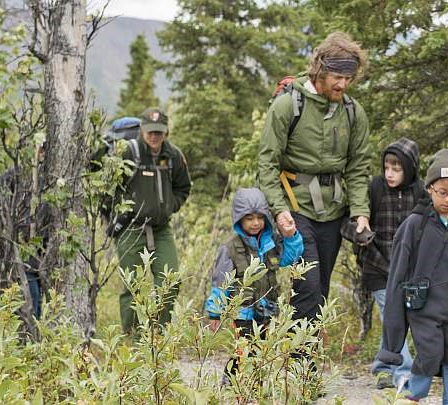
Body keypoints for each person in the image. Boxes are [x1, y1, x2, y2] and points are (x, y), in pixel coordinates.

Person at [258, 32, 372, 322]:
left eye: (349, 77)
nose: (343, 84)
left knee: (319, 289)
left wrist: (360, 212)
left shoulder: (352, 112)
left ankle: (301, 358)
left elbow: (358, 167)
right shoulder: (288, 106)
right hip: (297, 208)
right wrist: (279, 209)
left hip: (332, 211)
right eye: (337, 76)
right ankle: (299, 363)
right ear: (320, 69)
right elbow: (267, 163)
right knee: (307, 286)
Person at [379, 149, 448, 405]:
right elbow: (396, 278)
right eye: (442, 192)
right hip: (425, 307)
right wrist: (392, 341)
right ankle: (412, 397)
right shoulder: (414, 225)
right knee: (428, 356)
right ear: (429, 189)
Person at [205, 188, 303, 379]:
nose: (255, 223)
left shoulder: (271, 243)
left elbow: (291, 257)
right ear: (239, 219)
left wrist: (291, 236)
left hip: (267, 309)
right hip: (243, 312)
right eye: (249, 218)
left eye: (260, 217)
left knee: (261, 349)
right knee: (244, 349)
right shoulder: (230, 248)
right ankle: (230, 381)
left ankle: (253, 385)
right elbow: (221, 282)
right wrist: (214, 312)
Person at [111, 107, 192, 335]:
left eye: (159, 132)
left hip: (161, 229)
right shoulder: (129, 153)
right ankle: (132, 338)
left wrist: (169, 206)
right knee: (132, 286)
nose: (154, 136)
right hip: (131, 228)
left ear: (166, 131)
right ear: (142, 130)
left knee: (170, 280)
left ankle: (159, 332)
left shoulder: (174, 156)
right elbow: (111, 184)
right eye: (150, 132)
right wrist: (120, 212)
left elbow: (183, 187)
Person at [357, 137, 424, 390]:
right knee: (390, 316)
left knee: (400, 319)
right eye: (387, 167)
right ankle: (404, 373)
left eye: (397, 169)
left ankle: (382, 366)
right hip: (378, 267)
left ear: (409, 169)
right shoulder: (375, 188)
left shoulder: (419, 193)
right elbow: (354, 221)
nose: (389, 174)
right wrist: (360, 237)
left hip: (407, 270)